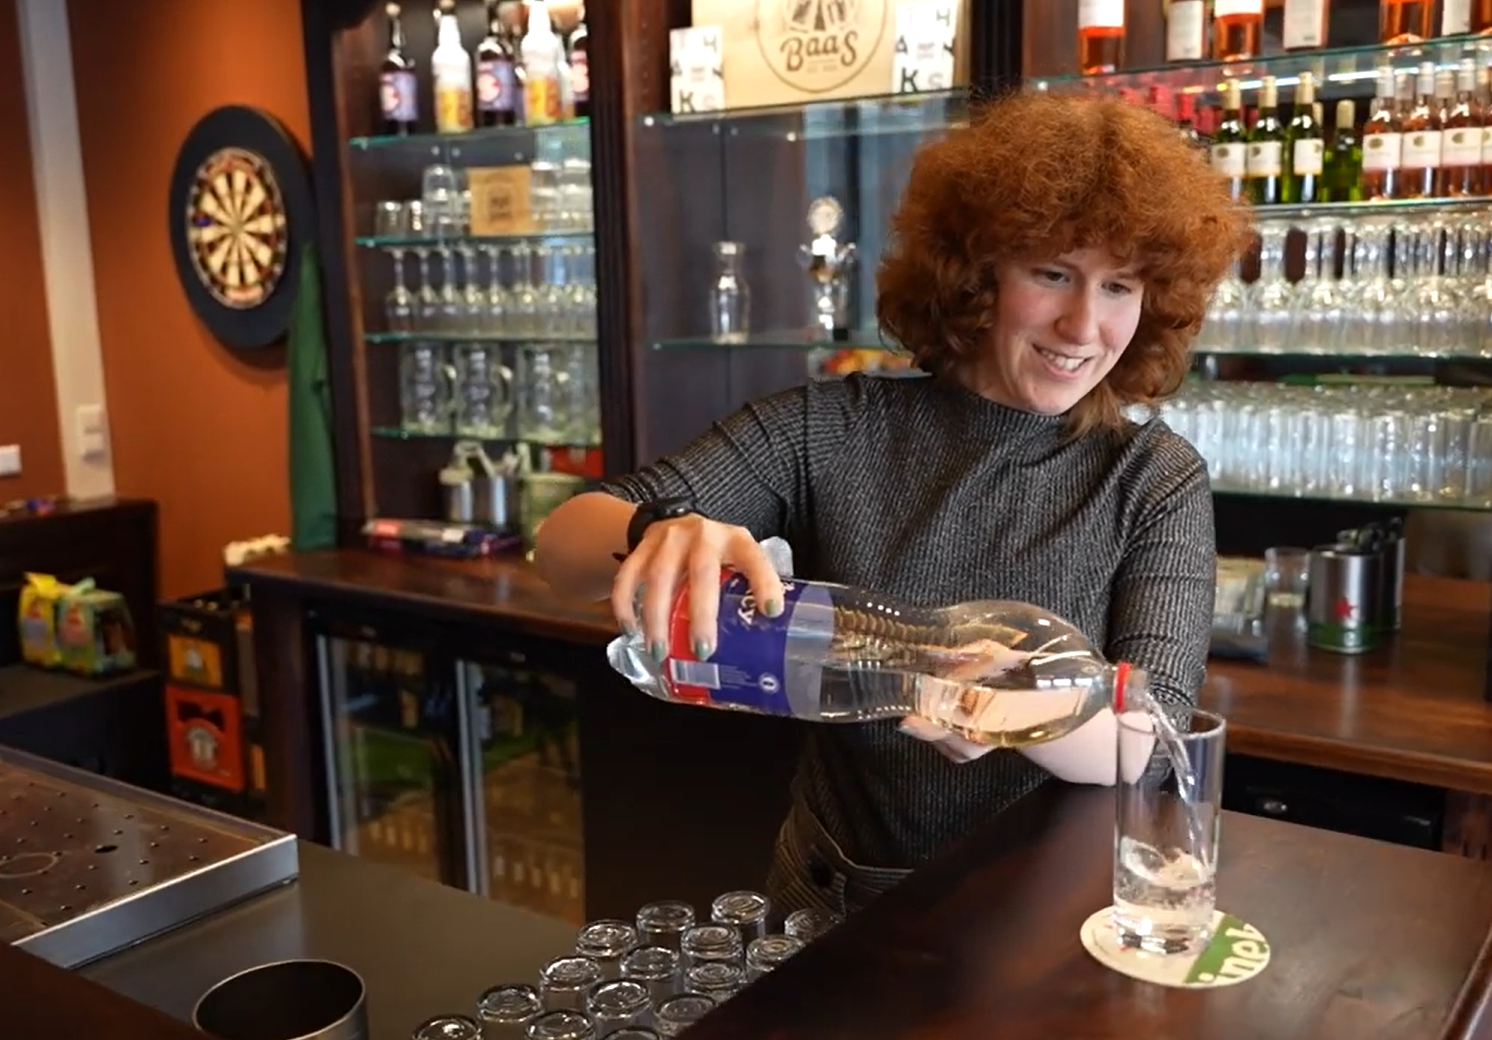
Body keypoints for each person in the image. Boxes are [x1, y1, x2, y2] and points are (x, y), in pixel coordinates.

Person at [535, 89, 1250, 917]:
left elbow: (1151, 739)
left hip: (1044, 917)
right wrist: (655, 528)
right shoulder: (831, 427)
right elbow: (561, 548)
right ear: (978, 272)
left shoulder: (1152, 477)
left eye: (1119, 287)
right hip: (834, 904)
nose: (1084, 325)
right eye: (1052, 273)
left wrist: (1021, 710)